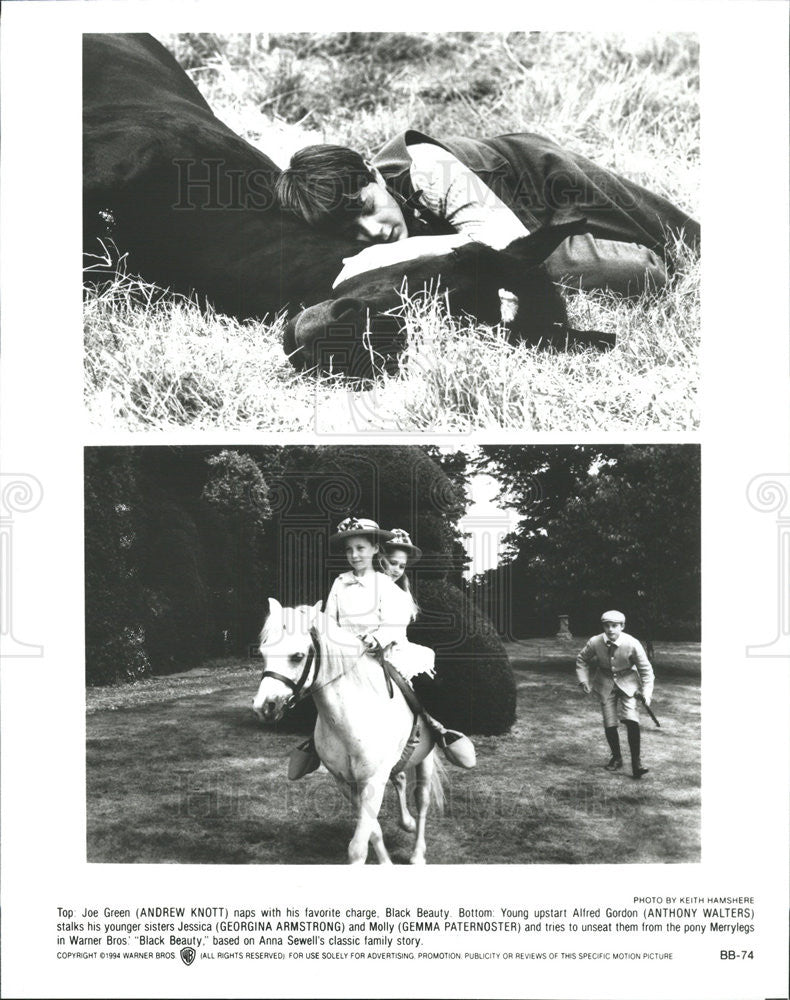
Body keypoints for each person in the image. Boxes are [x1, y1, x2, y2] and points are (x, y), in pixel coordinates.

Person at [275, 129, 700, 300]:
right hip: (502, 226)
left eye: (368, 207)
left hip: (539, 185)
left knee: (648, 269)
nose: (374, 231)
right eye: (353, 230)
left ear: (373, 175)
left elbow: (509, 253)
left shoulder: (428, 172)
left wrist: (386, 256)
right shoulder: (336, 220)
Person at [288, 517, 475, 779]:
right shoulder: (340, 583)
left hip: (382, 654)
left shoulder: (384, 585)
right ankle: (317, 741)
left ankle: (436, 727)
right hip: (346, 657)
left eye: (360, 548)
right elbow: (330, 622)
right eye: (349, 549)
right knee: (323, 689)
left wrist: (376, 639)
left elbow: (393, 624)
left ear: (375, 549)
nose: (354, 555)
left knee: (408, 684)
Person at [575, 610, 655, 779]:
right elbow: (581, 659)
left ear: (622, 626)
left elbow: (646, 671)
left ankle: (636, 763)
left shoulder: (632, 643)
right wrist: (584, 680)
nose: (610, 629)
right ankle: (616, 757)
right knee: (609, 721)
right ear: (603, 626)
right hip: (605, 682)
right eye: (606, 625)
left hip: (628, 682)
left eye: (614, 626)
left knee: (631, 718)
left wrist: (647, 695)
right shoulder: (595, 642)